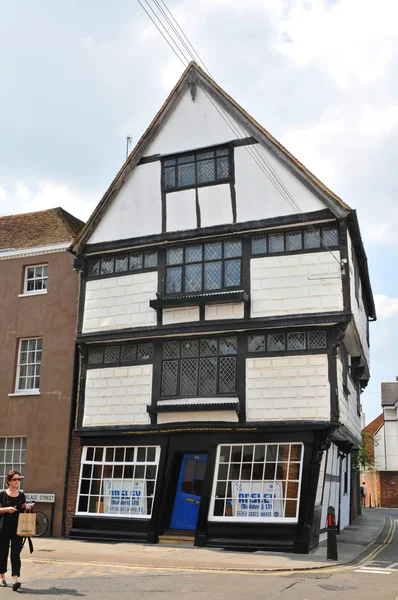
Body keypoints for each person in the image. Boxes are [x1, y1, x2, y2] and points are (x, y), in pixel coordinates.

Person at [0, 470, 33, 591]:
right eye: (15, 479)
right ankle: (2, 578)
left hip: (18, 529)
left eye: (19, 479)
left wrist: (27, 506)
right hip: (3, 529)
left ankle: (15, 580)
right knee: (2, 554)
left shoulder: (21, 495)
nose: (17, 481)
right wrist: (6, 509)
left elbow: (23, 506)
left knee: (15, 555)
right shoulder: (2, 494)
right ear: (8, 481)